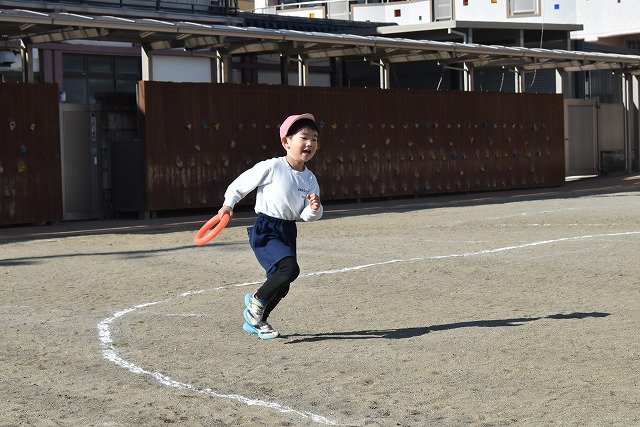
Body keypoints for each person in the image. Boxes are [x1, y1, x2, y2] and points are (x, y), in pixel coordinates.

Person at [217, 113, 323, 339]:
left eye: (314, 139)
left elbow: (306, 215)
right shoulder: (273, 166)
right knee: (289, 269)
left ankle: (257, 320)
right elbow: (241, 184)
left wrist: (314, 208)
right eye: (304, 137)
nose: (310, 143)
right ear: (286, 142)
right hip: (266, 228)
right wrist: (228, 204)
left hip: (288, 230)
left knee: (283, 284)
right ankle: (255, 304)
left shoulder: (310, 179)